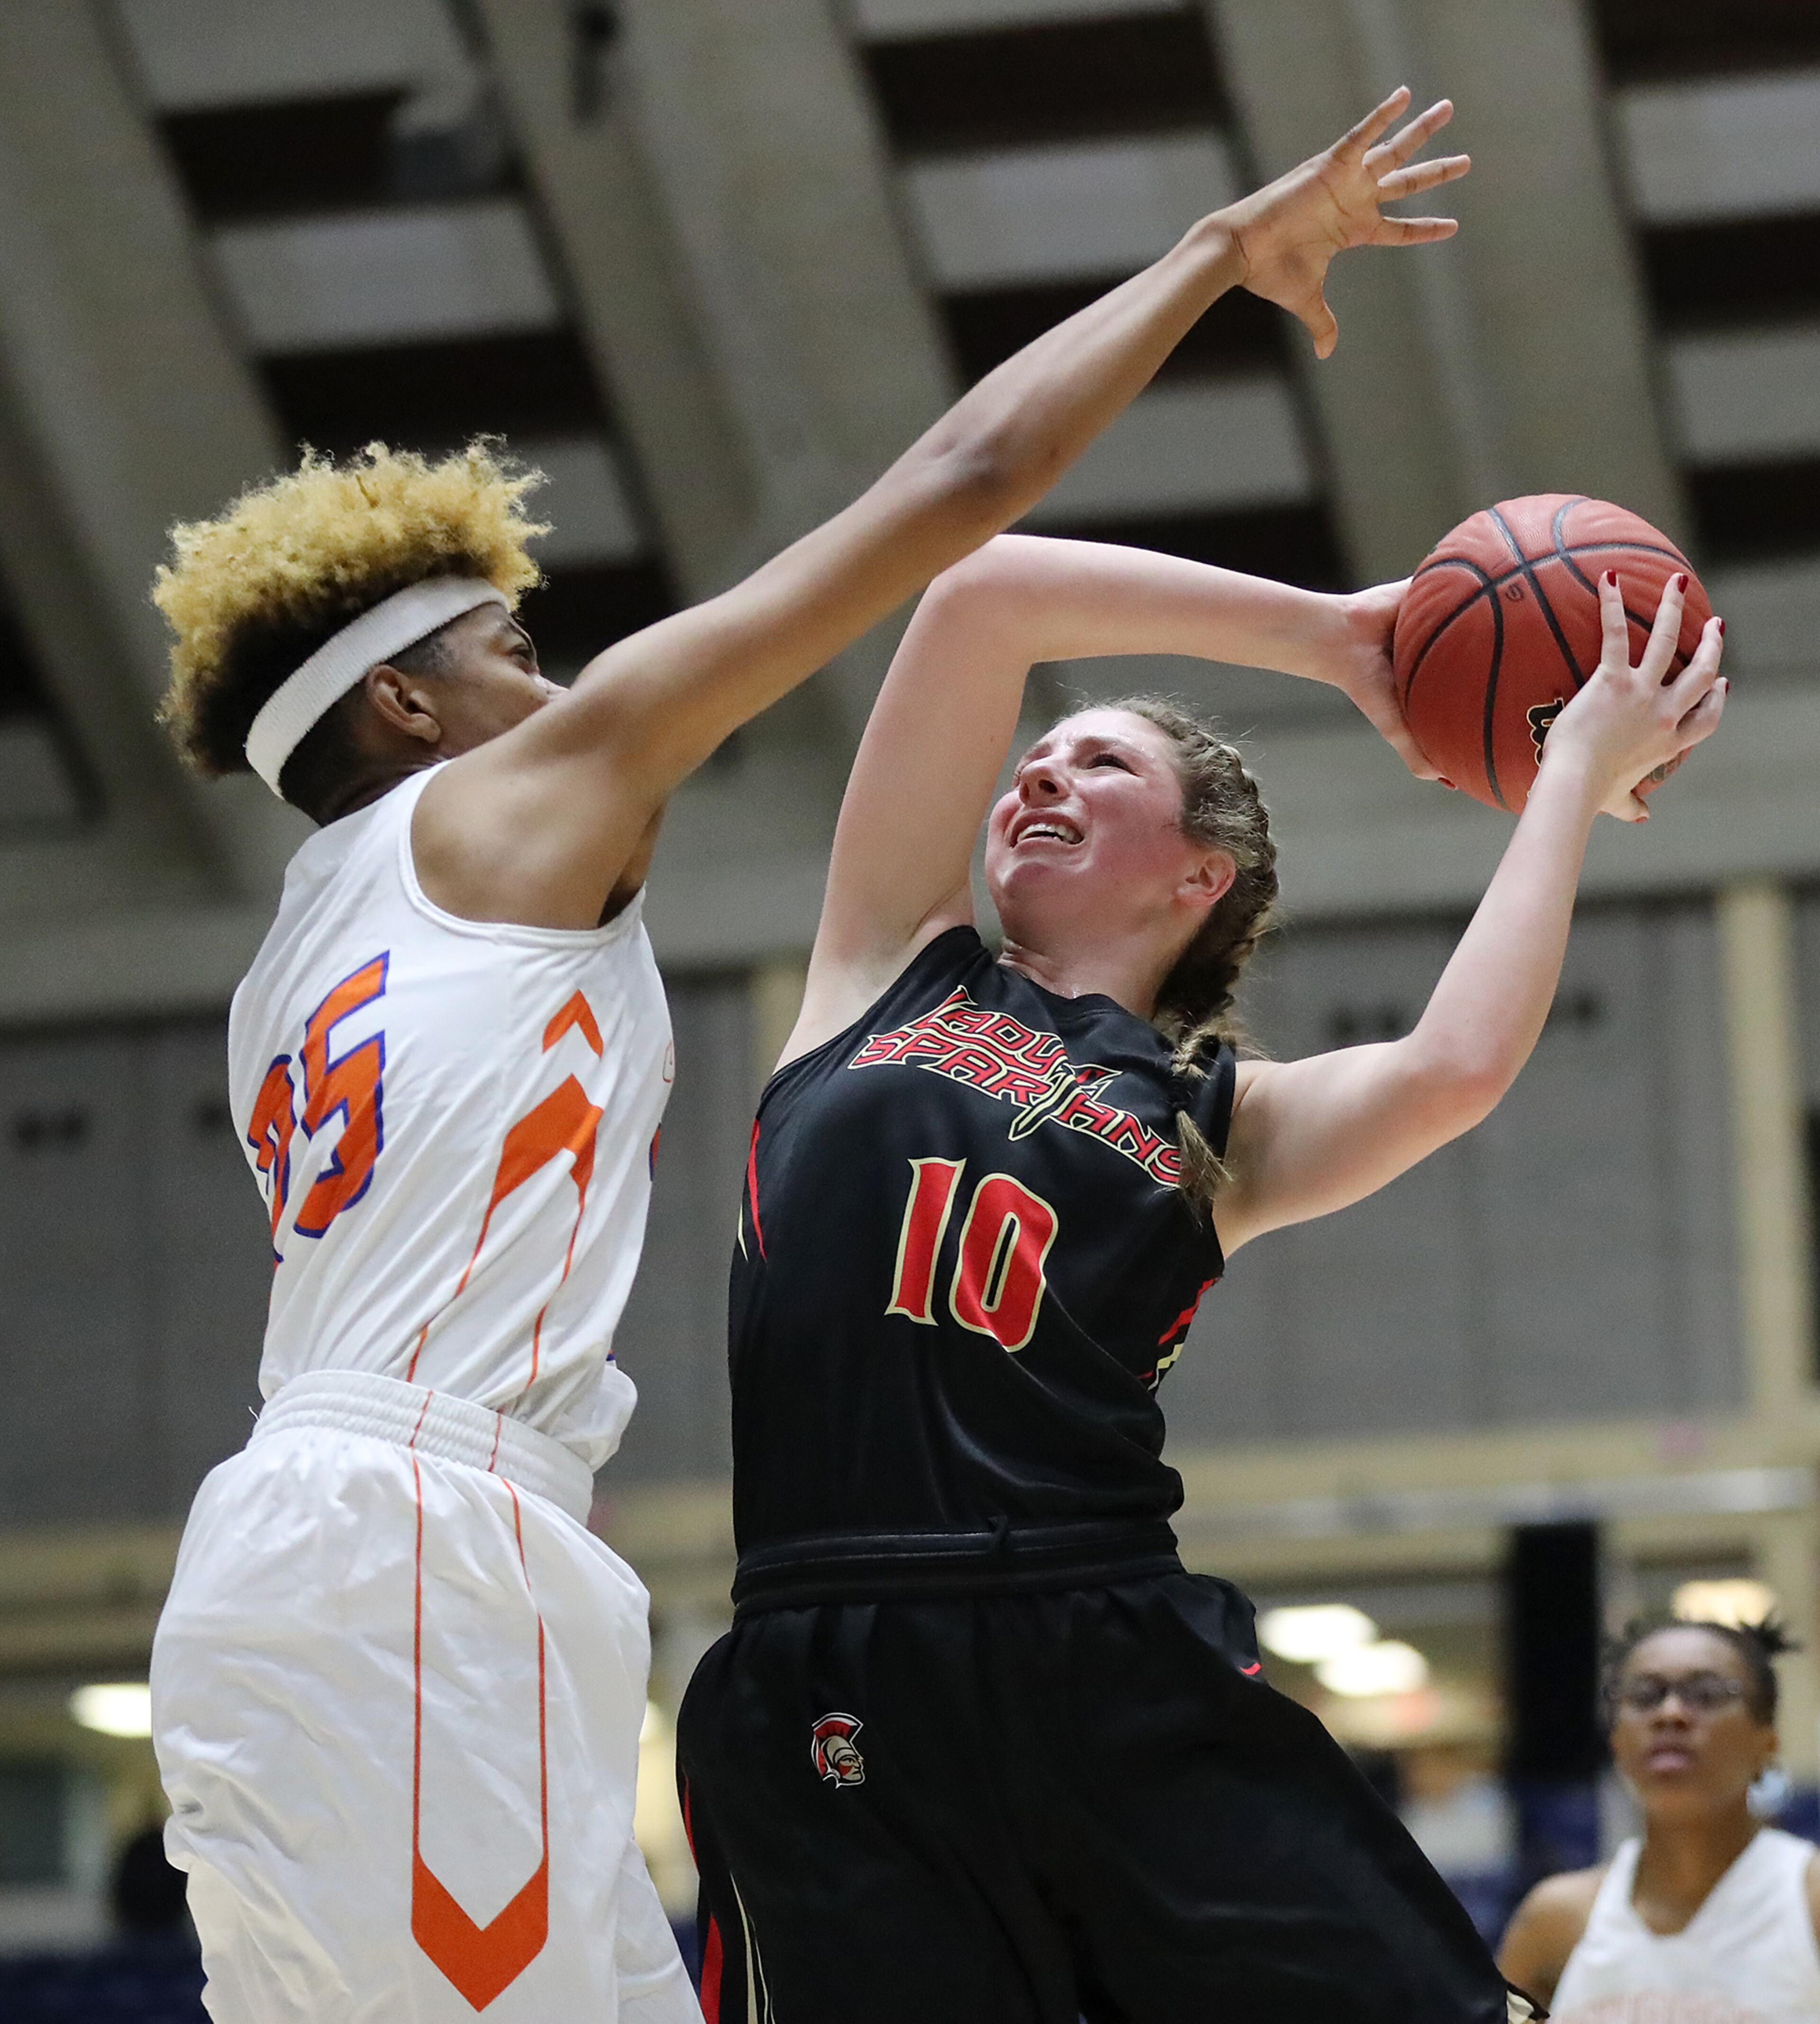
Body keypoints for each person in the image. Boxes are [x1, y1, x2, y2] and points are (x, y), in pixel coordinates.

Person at [144, 84, 1466, 2024]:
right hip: (417, 1543)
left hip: (320, 1542)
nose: (575, 680)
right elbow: (963, 482)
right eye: (523, 649)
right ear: (413, 700)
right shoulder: (519, 799)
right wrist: (1210, 256)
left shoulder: (294, 955)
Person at [673, 522, 1726, 2023]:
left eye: (1099, 766)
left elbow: (1453, 1062)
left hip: (1091, 1633)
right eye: (1033, 762)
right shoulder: (879, 965)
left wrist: (1563, 769)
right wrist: (1342, 638)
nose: (1038, 775)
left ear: (1195, 875)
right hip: (819, 1648)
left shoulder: (1221, 1121)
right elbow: (983, 593)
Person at [1500, 1617, 1820, 2021]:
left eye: (1706, 1694)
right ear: (1616, 1743)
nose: (1670, 1713)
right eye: (1645, 1695)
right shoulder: (1555, 1921)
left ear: (1768, 1743)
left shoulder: (1810, 1902)